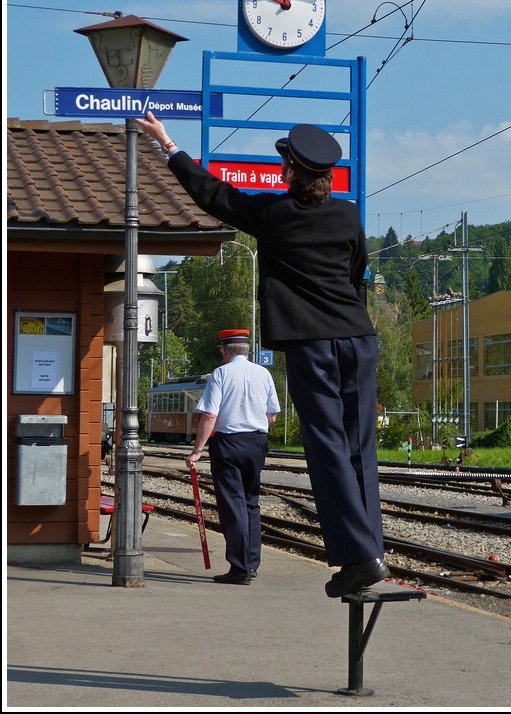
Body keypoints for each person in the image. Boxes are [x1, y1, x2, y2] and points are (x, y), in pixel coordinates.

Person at [137, 111, 390, 598]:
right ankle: (372, 551)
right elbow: (357, 272)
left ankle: (359, 557)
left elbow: (215, 195)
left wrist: (169, 145)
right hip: (360, 340)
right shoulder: (348, 213)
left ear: (291, 171)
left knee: (328, 449)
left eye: (284, 165)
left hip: (312, 343)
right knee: (360, 447)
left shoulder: (274, 216)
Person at [186, 328, 280, 585]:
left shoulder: (221, 374)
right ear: (246, 350)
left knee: (233, 506)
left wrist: (197, 451)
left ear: (225, 351)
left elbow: (209, 415)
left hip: (228, 445)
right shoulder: (264, 373)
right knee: (251, 503)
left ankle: (239, 569)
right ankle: (251, 563)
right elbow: (272, 415)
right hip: (257, 443)